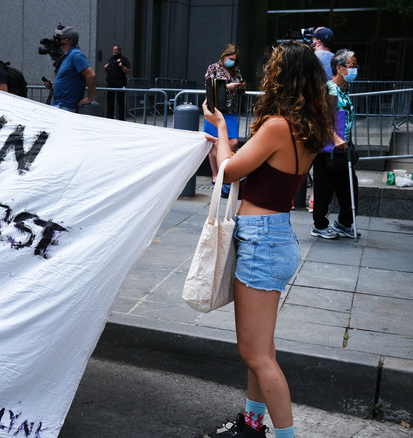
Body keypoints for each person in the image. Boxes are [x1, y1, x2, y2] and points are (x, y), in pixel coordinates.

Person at [202, 41, 335, 438]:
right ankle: (253, 424)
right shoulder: (309, 126)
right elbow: (240, 170)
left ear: (283, 77)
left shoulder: (279, 125)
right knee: (263, 349)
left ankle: (283, 434)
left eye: (273, 69)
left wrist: (222, 128)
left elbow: (231, 170)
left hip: (263, 241)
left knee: (255, 354)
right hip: (273, 236)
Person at [311, 49, 361, 240]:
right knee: (324, 189)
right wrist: (335, 137)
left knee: (349, 188)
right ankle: (319, 225)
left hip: (343, 148)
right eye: (352, 65)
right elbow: (321, 118)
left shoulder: (343, 91)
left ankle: (344, 223)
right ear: (340, 68)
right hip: (328, 150)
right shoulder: (329, 89)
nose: (356, 69)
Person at [204, 44, 246, 184]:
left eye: (234, 59)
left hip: (230, 110)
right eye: (230, 58)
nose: (231, 61)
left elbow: (240, 91)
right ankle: (215, 174)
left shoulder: (235, 71)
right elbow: (210, 86)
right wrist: (229, 87)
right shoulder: (213, 68)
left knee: (233, 142)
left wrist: (241, 87)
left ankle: (227, 169)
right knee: (214, 142)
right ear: (224, 55)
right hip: (215, 110)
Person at [43, 26, 96, 112]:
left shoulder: (76, 55)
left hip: (65, 108)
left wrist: (89, 99)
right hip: (60, 105)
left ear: (66, 40)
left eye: (59, 37)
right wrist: (54, 87)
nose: (56, 39)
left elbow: (91, 75)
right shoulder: (67, 56)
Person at [103, 45, 131, 120]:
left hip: (119, 83)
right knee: (110, 102)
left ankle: (121, 119)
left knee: (120, 102)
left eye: (116, 49)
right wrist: (105, 68)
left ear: (119, 51)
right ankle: (109, 118)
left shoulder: (124, 59)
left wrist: (122, 66)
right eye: (113, 49)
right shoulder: (111, 60)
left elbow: (128, 71)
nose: (114, 51)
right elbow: (108, 72)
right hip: (110, 82)